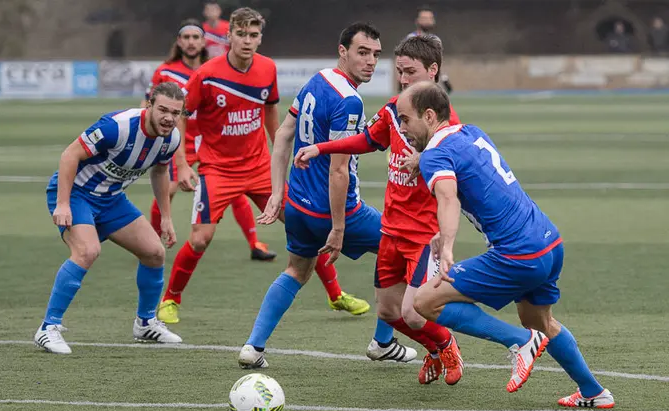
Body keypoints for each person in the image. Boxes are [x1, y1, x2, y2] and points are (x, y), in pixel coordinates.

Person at [398, 81, 614, 408]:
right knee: (540, 321)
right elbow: (471, 172)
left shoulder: (436, 156)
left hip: (519, 255)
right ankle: (594, 392)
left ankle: (519, 343)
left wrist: (448, 247)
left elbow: (447, 198)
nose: (402, 128)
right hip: (549, 242)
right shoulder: (470, 132)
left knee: (425, 301)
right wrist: (422, 162)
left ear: (428, 116)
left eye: (405, 119)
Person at [157, 8, 370, 325]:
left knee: (309, 224)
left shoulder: (267, 69)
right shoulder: (207, 73)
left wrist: (280, 154)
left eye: (253, 35)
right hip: (217, 170)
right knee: (200, 238)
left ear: (260, 38)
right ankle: (170, 299)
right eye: (240, 34)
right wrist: (184, 163)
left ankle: (336, 294)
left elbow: (274, 118)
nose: (247, 41)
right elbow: (182, 115)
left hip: (259, 167)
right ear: (228, 36)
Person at [293, 35, 462, 385]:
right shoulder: (393, 110)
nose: (403, 79)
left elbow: (456, 178)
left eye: (410, 72)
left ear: (432, 71)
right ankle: (432, 351)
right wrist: (321, 148)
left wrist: (428, 160)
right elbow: (368, 140)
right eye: (399, 71)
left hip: (421, 234)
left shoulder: (443, 122)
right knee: (388, 310)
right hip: (391, 229)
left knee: (414, 315)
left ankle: (446, 344)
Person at [238, 22, 403, 369]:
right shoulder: (349, 100)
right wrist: (340, 227)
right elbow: (339, 170)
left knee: (297, 270)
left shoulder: (318, 79)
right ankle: (383, 342)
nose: (371, 61)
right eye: (362, 52)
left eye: (375, 54)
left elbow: (283, 134)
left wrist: (277, 192)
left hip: (298, 206)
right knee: (404, 249)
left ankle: (253, 347)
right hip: (334, 212)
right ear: (342, 51)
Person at [34, 82, 186, 354]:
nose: (169, 118)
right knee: (87, 251)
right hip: (77, 194)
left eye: (176, 113)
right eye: (163, 109)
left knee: (154, 253)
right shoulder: (118, 126)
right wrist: (63, 204)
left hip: (111, 199)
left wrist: (166, 217)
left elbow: (161, 173)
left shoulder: (171, 139)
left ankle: (145, 322)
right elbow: (71, 154)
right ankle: (48, 328)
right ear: (149, 105)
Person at [145, 19, 277, 275]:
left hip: (208, 137)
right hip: (180, 139)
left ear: (204, 41)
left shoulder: (212, 69)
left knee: (236, 192)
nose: (192, 42)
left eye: (197, 37)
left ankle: (254, 244)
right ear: (179, 42)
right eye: (187, 37)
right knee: (167, 188)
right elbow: (151, 102)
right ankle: (150, 242)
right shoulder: (166, 71)